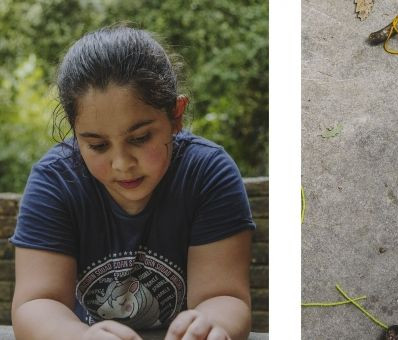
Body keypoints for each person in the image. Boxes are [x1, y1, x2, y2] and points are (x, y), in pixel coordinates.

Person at [10, 25, 256, 340]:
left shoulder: (208, 174)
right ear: (75, 133)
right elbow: (36, 303)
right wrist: (79, 337)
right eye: (97, 145)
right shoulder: (54, 182)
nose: (122, 164)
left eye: (140, 138)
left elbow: (225, 297)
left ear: (176, 116)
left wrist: (210, 326)